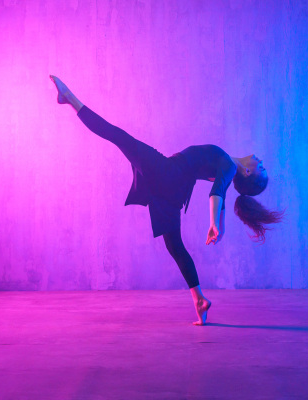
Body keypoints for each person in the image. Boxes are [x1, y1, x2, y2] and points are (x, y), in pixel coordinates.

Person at [49, 75, 284, 326]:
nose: (261, 161)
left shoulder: (227, 165)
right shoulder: (227, 170)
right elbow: (222, 196)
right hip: (175, 191)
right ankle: (200, 300)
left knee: (118, 136)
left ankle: (70, 98)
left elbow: (216, 194)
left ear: (248, 173)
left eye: (262, 168)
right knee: (175, 247)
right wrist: (220, 226)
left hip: (168, 174)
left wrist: (214, 223)